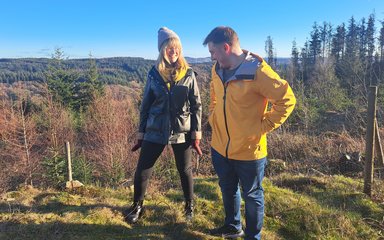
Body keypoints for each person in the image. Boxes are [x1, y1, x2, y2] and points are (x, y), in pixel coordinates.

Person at [203, 26, 296, 239]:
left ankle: (252, 236)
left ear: (226, 47)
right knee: (227, 189)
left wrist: (261, 128)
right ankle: (232, 226)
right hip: (220, 147)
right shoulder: (217, 68)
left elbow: (287, 100)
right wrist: (212, 115)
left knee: (252, 195)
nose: (211, 57)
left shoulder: (258, 71)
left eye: (213, 52)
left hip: (249, 151)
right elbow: (215, 94)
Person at [124, 27, 203, 224]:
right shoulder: (153, 74)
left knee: (184, 170)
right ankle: (137, 206)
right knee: (143, 169)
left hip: (181, 130)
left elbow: (196, 105)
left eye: (176, 48)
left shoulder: (189, 74)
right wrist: (141, 133)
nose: (173, 52)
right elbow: (145, 106)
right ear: (162, 50)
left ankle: (189, 206)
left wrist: (196, 133)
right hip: (155, 129)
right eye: (169, 48)